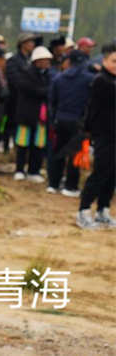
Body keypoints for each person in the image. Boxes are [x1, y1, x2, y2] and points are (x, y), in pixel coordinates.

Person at [77, 43, 116, 229]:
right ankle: (84, 211)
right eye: (114, 61)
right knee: (100, 173)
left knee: (112, 175)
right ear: (105, 61)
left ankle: (103, 210)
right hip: (104, 134)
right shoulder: (101, 81)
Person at [48, 50, 95, 196]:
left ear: (69, 61)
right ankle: (70, 186)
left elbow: (52, 101)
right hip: (78, 122)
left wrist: (54, 117)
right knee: (75, 154)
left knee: (58, 152)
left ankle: (53, 184)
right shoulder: (90, 79)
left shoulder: (58, 78)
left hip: (60, 119)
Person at [13, 46, 54, 182]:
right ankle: (19, 169)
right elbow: (29, 90)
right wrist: (45, 91)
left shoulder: (47, 75)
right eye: (45, 60)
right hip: (26, 115)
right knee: (23, 144)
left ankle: (33, 170)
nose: (48, 63)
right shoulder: (26, 73)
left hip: (41, 117)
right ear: (37, 61)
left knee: (38, 144)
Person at [2, 33, 37, 154]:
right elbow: (14, 80)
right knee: (10, 123)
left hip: (28, 101)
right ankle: (6, 147)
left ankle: (20, 149)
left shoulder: (32, 60)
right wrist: (28, 87)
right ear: (22, 44)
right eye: (29, 42)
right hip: (14, 98)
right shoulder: (13, 60)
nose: (32, 45)